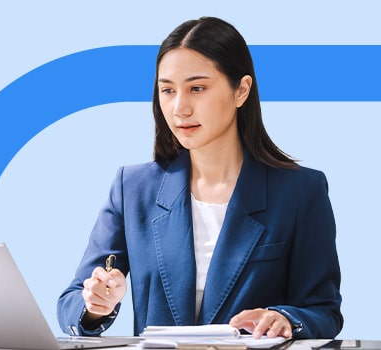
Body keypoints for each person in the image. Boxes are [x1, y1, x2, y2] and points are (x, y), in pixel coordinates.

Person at [57, 16, 343, 340]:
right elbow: (72, 302)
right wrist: (96, 305)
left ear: (241, 90)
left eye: (197, 88)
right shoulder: (133, 189)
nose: (180, 108)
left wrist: (284, 318)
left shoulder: (299, 191)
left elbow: (323, 311)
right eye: (167, 90)